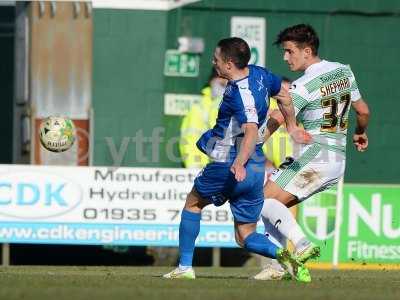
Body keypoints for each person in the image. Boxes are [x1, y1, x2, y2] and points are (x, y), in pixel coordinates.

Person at [163, 37, 311, 282]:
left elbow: (251, 129)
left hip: (229, 162)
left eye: (216, 60)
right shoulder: (261, 75)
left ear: (229, 64)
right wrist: (293, 127)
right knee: (244, 235)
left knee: (193, 204)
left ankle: (185, 267)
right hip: (255, 167)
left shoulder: (239, 94)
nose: (214, 64)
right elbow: (285, 97)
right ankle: (283, 255)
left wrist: (237, 163)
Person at [253, 24, 370, 280]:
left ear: (307, 51)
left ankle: (303, 247)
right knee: (276, 204)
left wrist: (253, 144)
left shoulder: (304, 85)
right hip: (337, 160)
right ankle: (279, 267)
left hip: (316, 154)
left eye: (289, 51)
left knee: (261, 201)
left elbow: (276, 117)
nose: (285, 57)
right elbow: (363, 111)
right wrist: (360, 132)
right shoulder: (343, 71)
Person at [179, 68, 227, 168]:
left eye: (229, 83)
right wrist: (199, 171)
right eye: (222, 83)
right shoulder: (199, 109)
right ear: (212, 81)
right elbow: (191, 143)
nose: (225, 85)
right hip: (209, 173)